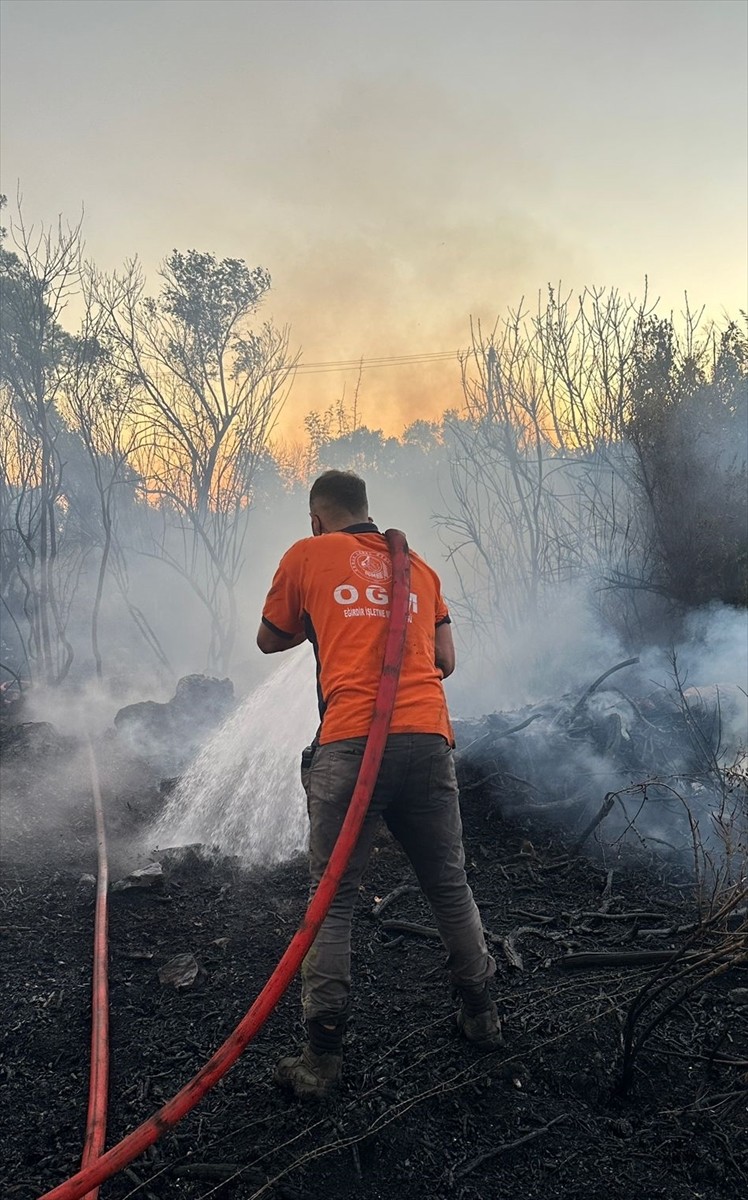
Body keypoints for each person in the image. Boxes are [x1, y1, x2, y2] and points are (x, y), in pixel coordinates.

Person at [257, 469, 500, 1098]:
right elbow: (444, 661)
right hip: (426, 740)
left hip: (349, 745)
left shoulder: (307, 555)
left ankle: (320, 1061)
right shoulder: (418, 568)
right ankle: (482, 1018)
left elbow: (268, 638)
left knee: (333, 900)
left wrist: (329, 618)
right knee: (449, 887)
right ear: (367, 510)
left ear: (316, 518)